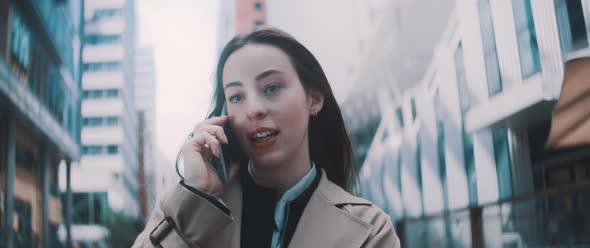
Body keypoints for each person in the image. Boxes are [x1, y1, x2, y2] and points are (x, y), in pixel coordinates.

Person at [133, 27, 401, 248]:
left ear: (314, 99)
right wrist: (197, 198)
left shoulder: (371, 229)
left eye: (271, 88)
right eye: (236, 96)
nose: (254, 109)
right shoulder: (185, 207)